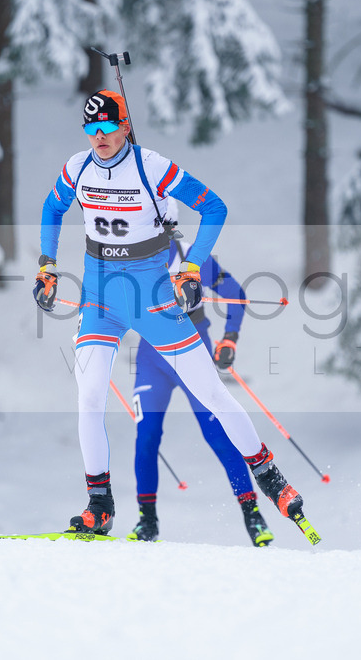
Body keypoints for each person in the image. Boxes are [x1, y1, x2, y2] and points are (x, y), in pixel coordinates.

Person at [33, 89, 307, 537]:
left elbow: (214, 207)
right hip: (100, 301)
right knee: (89, 397)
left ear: (125, 125)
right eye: (91, 129)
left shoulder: (151, 167)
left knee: (212, 395)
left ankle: (270, 477)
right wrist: (47, 264)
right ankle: (99, 504)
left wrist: (193, 266)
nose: (99, 137)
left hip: (154, 299)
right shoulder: (77, 168)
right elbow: (51, 207)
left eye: (107, 127)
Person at [127, 222, 274, 547]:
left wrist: (230, 340)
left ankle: (252, 513)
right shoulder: (129, 256)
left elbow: (236, 294)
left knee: (218, 434)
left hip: (193, 348)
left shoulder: (191, 256)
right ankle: (147, 521)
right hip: (152, 358)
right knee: (146, 436)